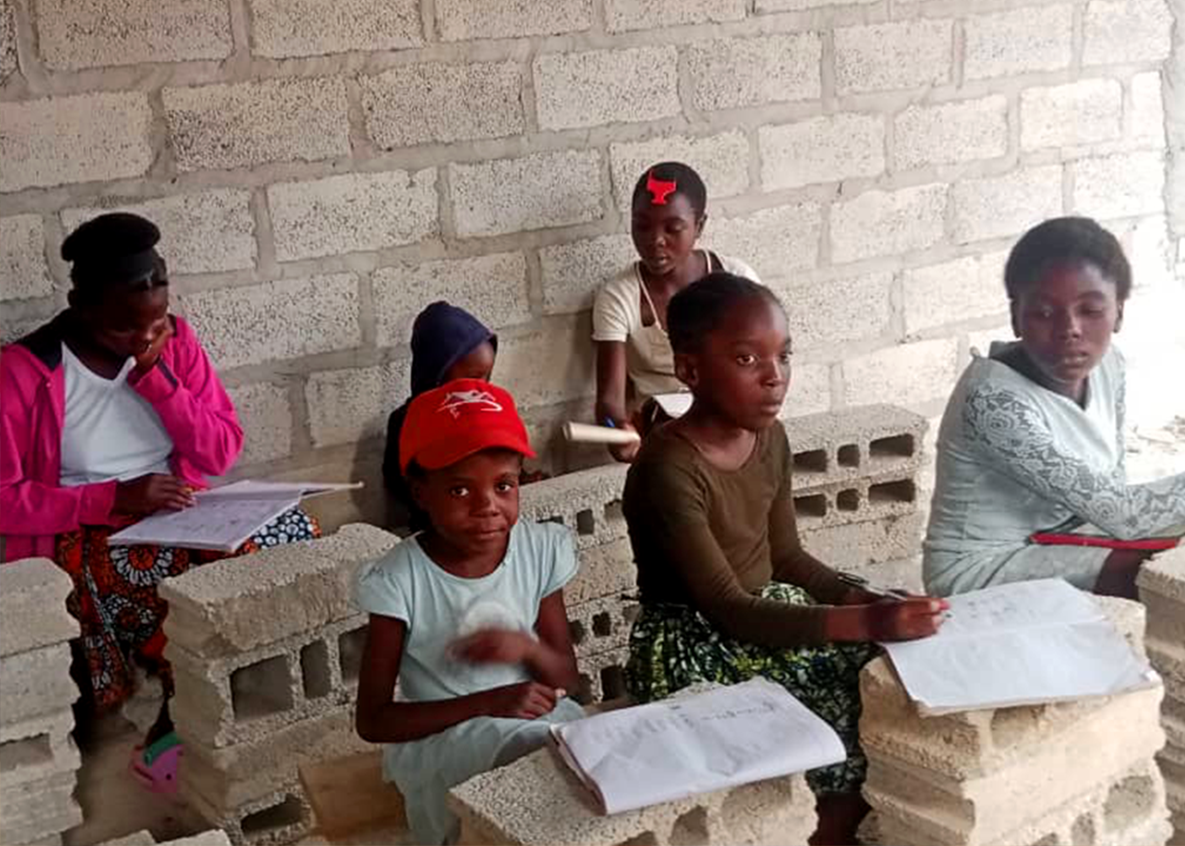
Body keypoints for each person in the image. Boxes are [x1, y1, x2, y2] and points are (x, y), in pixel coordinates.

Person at [620, 273, 948, 845]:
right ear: (690, 370)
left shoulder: (767, 436)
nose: (775, 376)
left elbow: (787, 557)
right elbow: (726, 607)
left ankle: (841, 825)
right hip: (693, 646)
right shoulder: (668, 469)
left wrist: (866, 598)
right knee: (835, 715)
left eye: (784, 355)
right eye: (748, 358)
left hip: (765, 614)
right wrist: (864, 622)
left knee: (884, 675)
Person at [0, 213, 319, 789]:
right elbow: (6, 500)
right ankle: (172, 737)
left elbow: (220, 449)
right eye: (127, 328)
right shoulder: (23, 374)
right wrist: (114, 496)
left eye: (158, 320)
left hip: (178, 509)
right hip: (87, 531)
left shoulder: (173, 344)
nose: (146, 338)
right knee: (175, 591)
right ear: (81, 304)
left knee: (290, 540)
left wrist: (156, 377)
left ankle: (223, 709)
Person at [356, 378, 585, 845]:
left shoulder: (539, 551)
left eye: (504, 485)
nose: (487, 507)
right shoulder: (401, 580)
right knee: (531, 758)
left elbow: (569, 678)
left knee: (582, 754)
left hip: (538, 721)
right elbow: (374, 721)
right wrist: (489, 703)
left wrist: (525, 647)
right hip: (446, 739)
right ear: (420, 493)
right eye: (460, 491)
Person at [924, 217, 1185, 600]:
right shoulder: (993, 400)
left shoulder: (1109, 366)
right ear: (1016, 317)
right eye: (1044, 313)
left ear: (1119, 313)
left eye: (1091, 311)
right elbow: (1124, 515)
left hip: (1067, 535)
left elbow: (1110, 490)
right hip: (985, 566)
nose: (1069, 330)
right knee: (1156, 577)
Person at [592, 161, 761, 462]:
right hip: (662, 441)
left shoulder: (739, 282)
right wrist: (615, 430)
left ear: (700, 226)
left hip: (732, 430)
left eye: (673, 228)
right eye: (642, 225)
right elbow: (608, 402)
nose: (655, 240)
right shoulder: (619, 296)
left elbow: (762, 371)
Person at [381, 302, 504, 533]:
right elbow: (399, 483)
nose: (481, 388)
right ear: (436, 372)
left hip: (489, 525)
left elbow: (504, 461)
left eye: (487, 378)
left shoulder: (491, 412)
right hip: (438, 533)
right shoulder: (407, 421)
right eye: (474, 377)